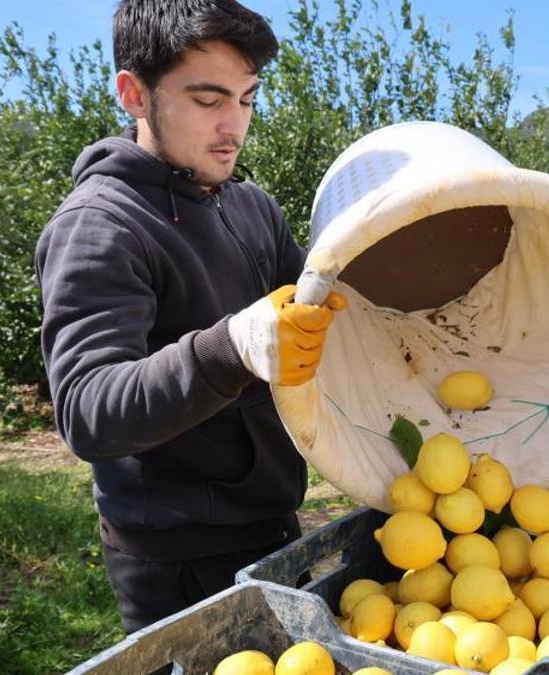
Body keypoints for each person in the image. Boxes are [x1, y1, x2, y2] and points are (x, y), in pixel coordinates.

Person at [35, 0, 346, 634]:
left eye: (248, 99)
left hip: (268, 519)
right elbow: (88, 411)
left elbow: (315, 313)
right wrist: (233, 348)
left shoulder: (250, 206)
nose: (235, 126)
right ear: (135, 94)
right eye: (208, 100)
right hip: (178, 555)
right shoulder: (101, 226)